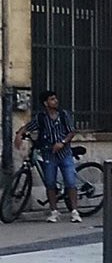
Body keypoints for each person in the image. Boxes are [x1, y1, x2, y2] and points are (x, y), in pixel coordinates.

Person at [14, 90, 81, 223]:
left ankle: (74, 211)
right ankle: (53, 211)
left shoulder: (63, 115)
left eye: (55, 99)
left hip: (64, 153)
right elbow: (28, 126)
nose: (55, 101)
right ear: (46, 103)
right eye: (52, 99)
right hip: (48, 154)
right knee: (50, 183)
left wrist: (62, 143)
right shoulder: (41, 117)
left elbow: (71, 131)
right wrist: (19, 135)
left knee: (70, 182)